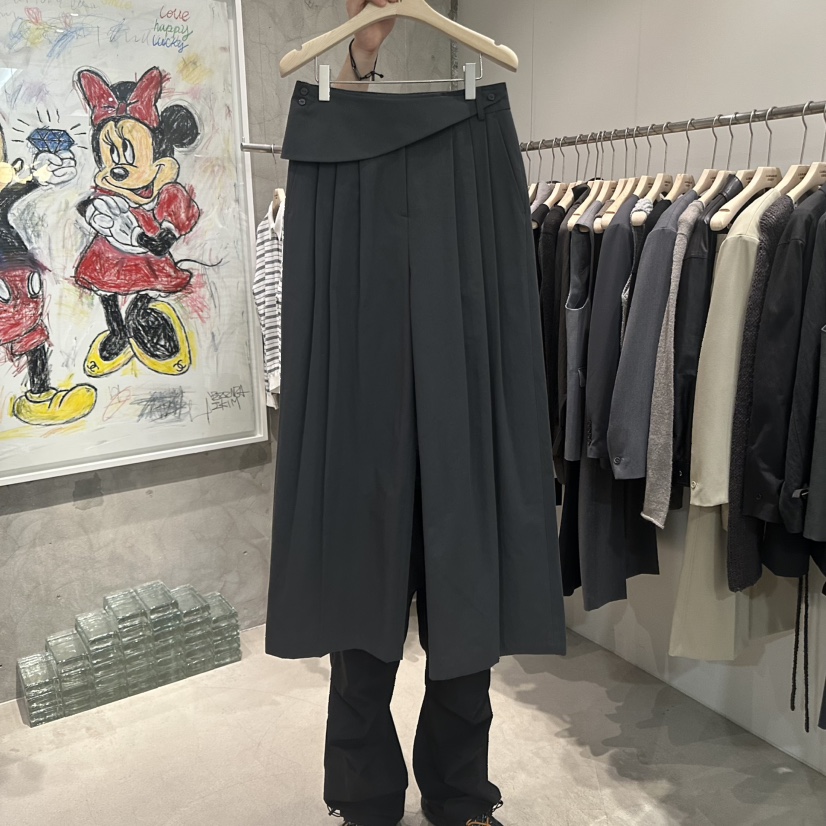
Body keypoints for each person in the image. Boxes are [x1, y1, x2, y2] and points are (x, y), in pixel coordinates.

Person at [266, 2, 566, 825]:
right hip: (344, 186)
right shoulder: (331, 126)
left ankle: (460, 791)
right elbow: (339, 110)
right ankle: (365, 790)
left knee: (465, 557)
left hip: (470, 176)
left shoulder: (481, 120)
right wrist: (360, 57)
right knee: (356, 550)